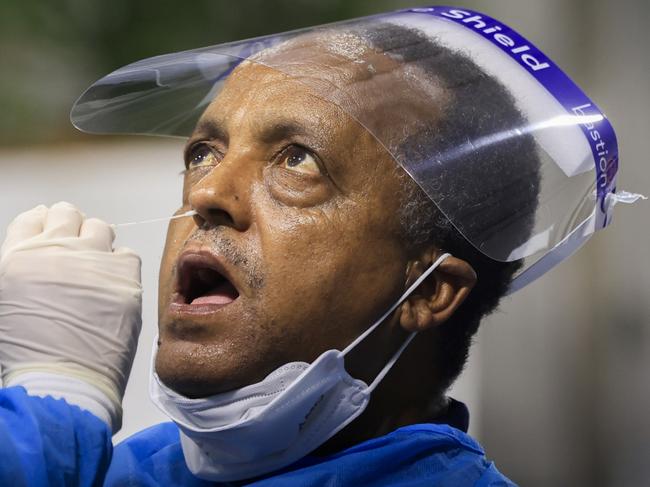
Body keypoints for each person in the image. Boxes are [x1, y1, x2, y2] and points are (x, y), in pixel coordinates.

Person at [0, 7, 627, 486]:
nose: (208, 191)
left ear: (428, 291)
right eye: (202, 153)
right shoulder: (126, 468)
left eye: (297, 160)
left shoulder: (65, 453)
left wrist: (54, 419)